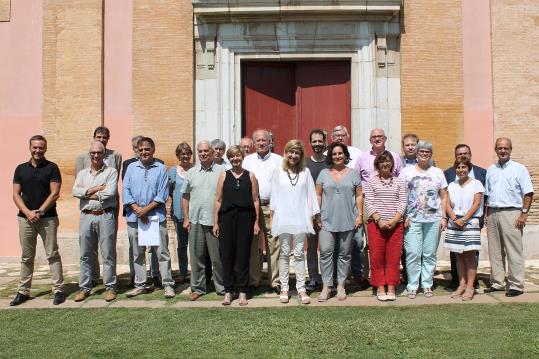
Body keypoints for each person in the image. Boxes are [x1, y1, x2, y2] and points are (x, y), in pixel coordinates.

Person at [11, 135, 65, 306]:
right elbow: (15, 194)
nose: (37, 150)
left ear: (45, 148)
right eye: (35, 147)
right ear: (30, 147)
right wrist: (27, 212)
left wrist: (39, 212)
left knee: (52, 254)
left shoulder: (52, 168)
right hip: (25, 219)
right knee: (27, 256)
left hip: (48, 218)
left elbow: (55, 193)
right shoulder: (20, 169)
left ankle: (58, 290)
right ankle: (23, 291)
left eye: (41, 147)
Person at [123, 137, 175, 298]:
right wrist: (137, 209)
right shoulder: (131, 168)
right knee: (138, 253)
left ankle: (167, 284)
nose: (144, 152)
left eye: (147, 149)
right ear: (137, 151)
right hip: (134, 217)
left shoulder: (161, 169)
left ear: (153, 150)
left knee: (162, 253)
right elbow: (125, 190)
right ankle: (140, 284)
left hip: (155, 217)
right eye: (141, 150)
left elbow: (163, 194)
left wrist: (145, 210)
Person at [271, 140, 319, 304]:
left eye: (297, 153)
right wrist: (273, 219)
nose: (293, 155)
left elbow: (311, 195)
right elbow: (274, 197)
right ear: (286, 153)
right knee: (284, 253)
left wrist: (312, 217)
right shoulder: (279, 172)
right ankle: (284, 287)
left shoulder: (305, 172)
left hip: (300, 219)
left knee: (299, 254)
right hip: (283, 219)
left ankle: (301, 288)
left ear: (301, 155)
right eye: (290, 152)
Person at [353, 128, 402, 289]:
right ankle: (373, 280)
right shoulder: (362, 158)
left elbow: (400, 182)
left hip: (393, 205)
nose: (377, 139)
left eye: (380, 136)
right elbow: (356, 181)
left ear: (385, 138)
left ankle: (390, 281)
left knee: (392, 248)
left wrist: (397, 217)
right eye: (374, 136)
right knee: (373, 245)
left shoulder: (395, 157)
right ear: (370, 139)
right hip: (369, 203)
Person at [484, 137, 533, 297]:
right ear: (495, 150)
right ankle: (498, 282)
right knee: (495, 251)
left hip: (512, 213)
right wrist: (486, 214)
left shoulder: (520, 169)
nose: (503, 151)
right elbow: (487, 194)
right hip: (492, 213)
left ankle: (516, 285)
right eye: (500, 148)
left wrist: (524, 214)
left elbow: (528, 193)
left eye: (506, 148)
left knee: (514, 250)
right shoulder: (491, 169)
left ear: (511, 149)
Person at [399, 140, 448, 299]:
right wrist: (404, 215)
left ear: (431, 154)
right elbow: (401, 195)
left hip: (433, 219)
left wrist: (444, 216)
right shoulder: (406, 172)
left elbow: (444, 195)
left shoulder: (438, 172)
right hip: (412, 219)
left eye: (427, 152)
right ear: (417, 153)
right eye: (421, 151)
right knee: (413, 252)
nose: (424, 154)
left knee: (429, 253)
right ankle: (412, 285)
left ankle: (427, 284)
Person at [74, 126, 122, 288]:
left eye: (104, 137)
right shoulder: (82, 162)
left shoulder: (115, 159)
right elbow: (76, 189)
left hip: (107, 210)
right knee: (86, 252)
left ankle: (110, 285)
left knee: (108, 249)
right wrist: (95, 189)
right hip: (87, 212)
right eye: (98, 137)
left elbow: (111, 191)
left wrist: (86, 193)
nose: (101, 140)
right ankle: (89, 282)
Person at [213, 145, 260, 305]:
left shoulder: (251, 176)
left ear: (242, 157)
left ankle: (242, 291)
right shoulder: (224, 176)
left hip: (245, 219)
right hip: (226, 219)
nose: (235, 159)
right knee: (227, 255)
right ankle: (228, 291)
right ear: (229, 158)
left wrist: (256, 222)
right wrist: (215, 223)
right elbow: (218, 200)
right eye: (232, 156)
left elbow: (255, 200)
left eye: (238, 156)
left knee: (243, 255)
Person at [316, 142, 362, 302]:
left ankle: (341, 285)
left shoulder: (354, 174)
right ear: (330, 156)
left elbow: (359, 196)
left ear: (345, 155)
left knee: (344, 254)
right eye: (334, 154)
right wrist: (317, 214)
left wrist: (360, 215)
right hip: (326, 220)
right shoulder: (323, 173)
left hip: (348, 219)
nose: (337, 156)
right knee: (326, 252)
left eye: (340, 153)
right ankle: (327, 286)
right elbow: (318, 195)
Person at [182, 141, 226, 300]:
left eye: (206, 151)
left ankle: (222, 287)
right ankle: (198, 288)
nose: (203, 154)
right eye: (200, 151)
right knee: (197, 257)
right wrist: (186, 218)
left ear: (212, 152)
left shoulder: (222, 171)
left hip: (215, 222)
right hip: (196, 221)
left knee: (218, 258)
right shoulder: (192, 173)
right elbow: (185, 196)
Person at [243, 129, 283, 292]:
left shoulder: (279, 160)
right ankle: (254, 280)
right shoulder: (247, 160)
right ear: (254, 143)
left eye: (264, 140)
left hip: (272, 206)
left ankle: (276, 281)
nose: (261, 143)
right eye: (258, 140)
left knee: (274, 244)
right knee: (252, 244)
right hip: (251, 208)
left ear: (269, 142)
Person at [364, 151, 407, 301]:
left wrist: (395, 220)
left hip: (396, 225)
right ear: (377, 164)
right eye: (382, 161)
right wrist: (379, 220)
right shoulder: (370, 182)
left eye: (388, 161)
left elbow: (403, 202)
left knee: (393, 258)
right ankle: (380, 286)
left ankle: (391, 286)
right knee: (376, 257)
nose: (385, 164)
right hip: (376, 225)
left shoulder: (399, 182)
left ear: (392, 164)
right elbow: (369, 202)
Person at [443, 144, 486, 291]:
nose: (461, 170)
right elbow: (447, 204)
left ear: (469, 169)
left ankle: (470, 286)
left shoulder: (477, 183)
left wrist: (464, 219)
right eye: (459, 168)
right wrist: (455, 219)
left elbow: (477, 203)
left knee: (470, 255)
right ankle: (461, 284)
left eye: (464, 168)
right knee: (458, 256)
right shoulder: (451, 185)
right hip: (455, 223)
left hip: (470, 222)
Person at [304, 128, 328, 291]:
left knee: (328, 248)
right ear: (310, 143)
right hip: (309, 212)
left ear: (325, 142)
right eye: (315, 141)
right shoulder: (305, 163)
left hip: (329, 211)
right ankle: (313, 278)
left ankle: (328, 278)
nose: (317, 144)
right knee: (311, 248)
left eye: (320, 141)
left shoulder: (331, 161)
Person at [167, 142, 193, 284]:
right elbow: (170, 191)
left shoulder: (196, 169)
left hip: (194, 213)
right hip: (178, 212)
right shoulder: (172, 171)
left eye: (188, 153)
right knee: (182, 245)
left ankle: (196, 272)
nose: (185, 156)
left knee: (195, 245)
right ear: (178, 155)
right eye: (182, 153)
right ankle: (183, 273)